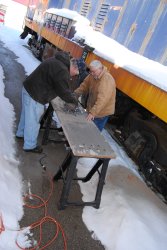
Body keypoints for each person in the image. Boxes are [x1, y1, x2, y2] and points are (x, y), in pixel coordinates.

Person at [16, 51, 79, 153]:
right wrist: (74, 101)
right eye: (75, 73)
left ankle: (21, 133)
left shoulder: (57, 60)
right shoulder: (62, 70)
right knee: (33, 121)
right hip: (35, 95)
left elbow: (57, 84)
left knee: (26, 115)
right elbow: (64, 91)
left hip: (28, 88)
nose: (73, 76)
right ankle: (30, 145)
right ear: (74, 68)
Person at [74, 60, 116, 131]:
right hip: (93, 108)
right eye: (90, 71)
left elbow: (103, 99)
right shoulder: (92, 75)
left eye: (94, 71)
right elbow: (84, 86)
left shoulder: (106, 79)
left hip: (101, 113)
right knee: (87, 129)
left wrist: (93, 113)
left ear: (100, 69)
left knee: (94, 132)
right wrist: (75, 94)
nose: (92, 73)